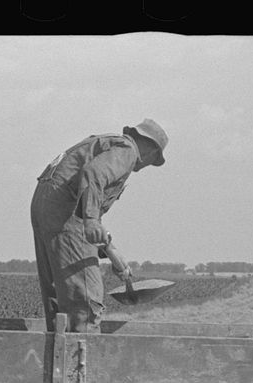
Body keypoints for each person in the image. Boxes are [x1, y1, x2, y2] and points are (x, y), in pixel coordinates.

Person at [30, 118, 168, 332]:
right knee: (84, 300)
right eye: (154, 159)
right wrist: (92, 220)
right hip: (64, 211)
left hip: (47, 205)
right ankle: (79, 362)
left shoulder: (104, 144)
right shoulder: (128, 150)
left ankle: (57, 358)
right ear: (151, 151)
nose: (148, 165)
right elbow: (93, 174)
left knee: (59, 295)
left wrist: (111, 251)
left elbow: (87, 200)